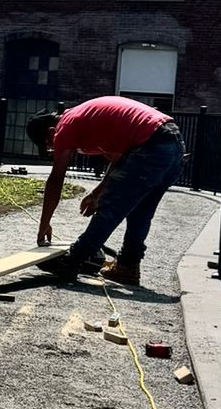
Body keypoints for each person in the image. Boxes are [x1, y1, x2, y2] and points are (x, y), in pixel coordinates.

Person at [27, 97, 185, 284]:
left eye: (49, 146)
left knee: (110, 209)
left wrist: (43, 224)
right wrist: (97, 193)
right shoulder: (86, 118)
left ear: (51, 132)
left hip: (151, 145)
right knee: (141, 212)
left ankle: (71, 260)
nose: (53, 150)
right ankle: (128, 266)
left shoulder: (65, 126)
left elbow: (56, 180)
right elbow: (119, 160)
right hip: (173, 143)